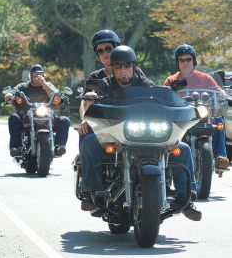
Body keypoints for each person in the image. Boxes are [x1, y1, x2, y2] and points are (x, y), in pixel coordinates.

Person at [79, 45, 202, 221]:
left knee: (182, 149)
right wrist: (90, 100)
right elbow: (92, 103)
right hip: (116, 136)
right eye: (118, 67)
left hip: (146, 134)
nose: (123, 71)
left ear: (134, 66)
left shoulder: (145, 84)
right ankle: (93, 192)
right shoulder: (105, 85)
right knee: (90, 141)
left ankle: (186, 199)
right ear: (112, 68)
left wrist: (174, 100)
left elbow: (159, 100)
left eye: (127, 66)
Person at [164, 44, 229, 171]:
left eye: (188, 59)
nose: (185, 63)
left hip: (203, 115)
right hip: (181, 118)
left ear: (194, 61)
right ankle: (166, 160)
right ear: (177, 62)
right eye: (182, 60)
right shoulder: (171, 80)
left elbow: (218, 91)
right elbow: (164, 94)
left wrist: (224, 96)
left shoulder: (205, 78)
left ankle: (221, 156)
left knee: (218, 119)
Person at [5, 64, 70, 157]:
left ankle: (59, 146)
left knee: (65, 120)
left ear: (43, 75)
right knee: (13, 118)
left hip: (47, 116)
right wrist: (9, 95)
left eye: (40, 74)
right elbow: (12, 92)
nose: (38, 77)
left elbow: (56, 94)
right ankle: (15, 147)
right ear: (30, 76)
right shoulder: (23, 86)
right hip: (26, 117)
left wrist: (44, 84)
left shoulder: (48, 85)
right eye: (35, 75)